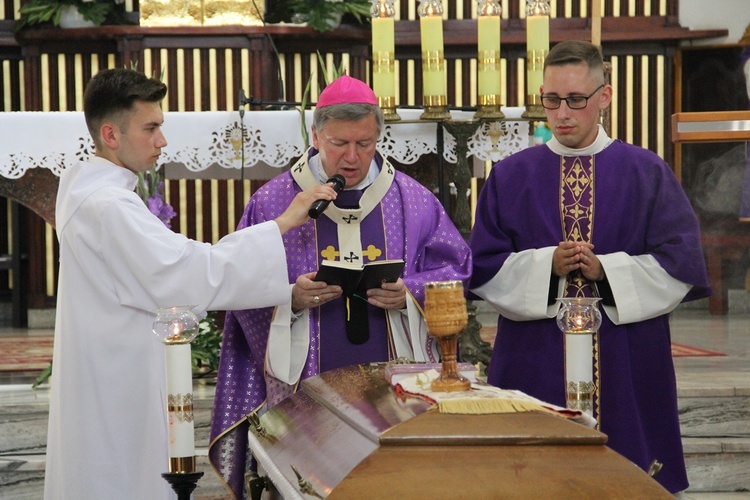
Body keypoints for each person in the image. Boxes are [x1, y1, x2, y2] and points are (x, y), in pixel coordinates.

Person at [45, 68, 338, 499]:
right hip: (120, 384)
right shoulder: (108, 206)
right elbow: (186, 276)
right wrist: (282, 223)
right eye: (151, 127)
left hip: (108, 366)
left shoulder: (85, 187)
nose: (162, 140)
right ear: (110, 133)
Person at [209, 74, 472, 498]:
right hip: (303, 382)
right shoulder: (275, 202)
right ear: (315, 135)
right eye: (339, 144)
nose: (353, 157)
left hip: (394, 383)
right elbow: (237, 284)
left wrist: (409, 292)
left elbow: (457, 269)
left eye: (365, 144)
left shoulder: (413, 200)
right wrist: (289, 298)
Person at [468, 40, 711, 494]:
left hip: (626, 353)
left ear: (605, 96)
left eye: (576, 100)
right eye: (551, 100)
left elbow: (681, 265)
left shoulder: (646, 172)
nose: (562, 114)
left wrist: (609, 271)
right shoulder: (510, 175)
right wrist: (546, 266)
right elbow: (482, 267)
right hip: (534, 353)